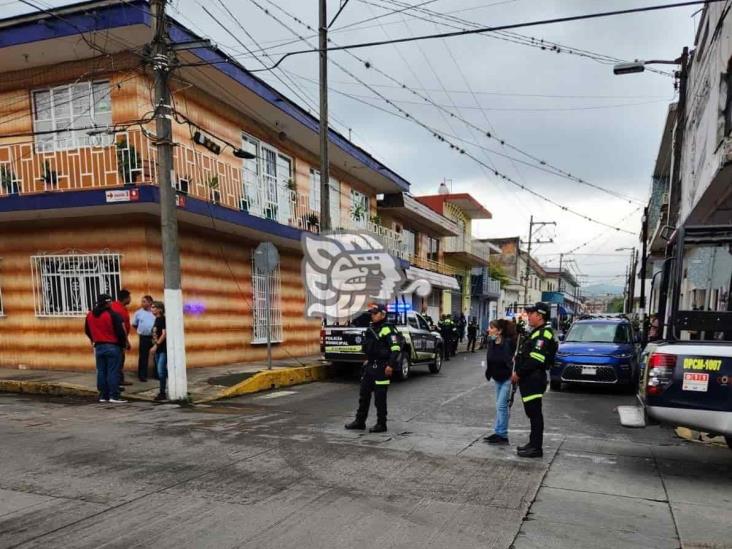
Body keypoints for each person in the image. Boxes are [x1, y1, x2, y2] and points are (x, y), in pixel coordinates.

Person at [345, 304, 400, 433]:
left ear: (382, 314)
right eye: (372, 313)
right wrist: (368, 359)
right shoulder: (372, 328)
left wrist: (390, 365)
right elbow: (371, 347)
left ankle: (381, 424)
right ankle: (360, 421)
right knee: (364, 395)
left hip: (382, 367)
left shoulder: (388, 329)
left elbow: (395, 349)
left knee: (380, 398)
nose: (373, 315)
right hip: (370, 366)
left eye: (375, 313)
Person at [512, 302, 558, 458]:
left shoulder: (543, 334)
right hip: (529, 379)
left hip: (533, 379)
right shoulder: (536, 332)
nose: (528, 316)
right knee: (532, 413)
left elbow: (536, 359)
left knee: (535, 413)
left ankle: (536, 448)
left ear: (539, 315)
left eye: (531, 314)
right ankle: (533, 444)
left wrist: (518, 374)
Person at [84, 293, 128, 403]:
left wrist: (94, 339)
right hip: (113, 346)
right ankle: (114, 396)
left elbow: (87, 331)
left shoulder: (90, 315)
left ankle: (103, 395)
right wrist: (123, 345)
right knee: (113, 371)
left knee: (102, 371)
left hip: (98, 347)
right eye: (110, 301)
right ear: (108, 303)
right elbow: (120, 332)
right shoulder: (113, 315)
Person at [484, 319, 517, 444]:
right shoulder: (492, 342)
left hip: (507, 378)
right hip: (497, 378)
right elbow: (491, 359)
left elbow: (515, 358)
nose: (489, 330)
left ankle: (502, 435)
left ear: (499, 331)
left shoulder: (508, 343)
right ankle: (498, 432)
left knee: (501, 406)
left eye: (492, 328)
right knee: (499, 406)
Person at [111, 289, 132, 389]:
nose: (130, 299)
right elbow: (121, 326)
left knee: (120, 360)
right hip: (118, 339)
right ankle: (117, 382)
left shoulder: (119, 307)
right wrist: (126, 341)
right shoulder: (118, 308)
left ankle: (119, 379)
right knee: (119, 360)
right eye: (129, 297)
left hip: (119, 339)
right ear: (126, 298)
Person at [132, 294, 155, 382]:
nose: (142, 303)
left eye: (144, 301)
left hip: (154, 337)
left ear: (150, 302)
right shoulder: (138, 313)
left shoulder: (154, 312)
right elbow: (134, 324)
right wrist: (142, 330)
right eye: (142, 301)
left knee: (157, 356)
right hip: (144, 338)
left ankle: (158, 374)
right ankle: (142, 376)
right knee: (143, 357)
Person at [151, 301, 168, 401]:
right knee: (160, 371)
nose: (152, 309)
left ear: (160, 309)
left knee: (161, 371)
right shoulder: (156, 320)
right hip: (157, 349)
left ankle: (162, 393)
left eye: (154, 307)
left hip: (162, 349)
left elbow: (164, 334)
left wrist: (156, 346)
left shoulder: (162, 319)